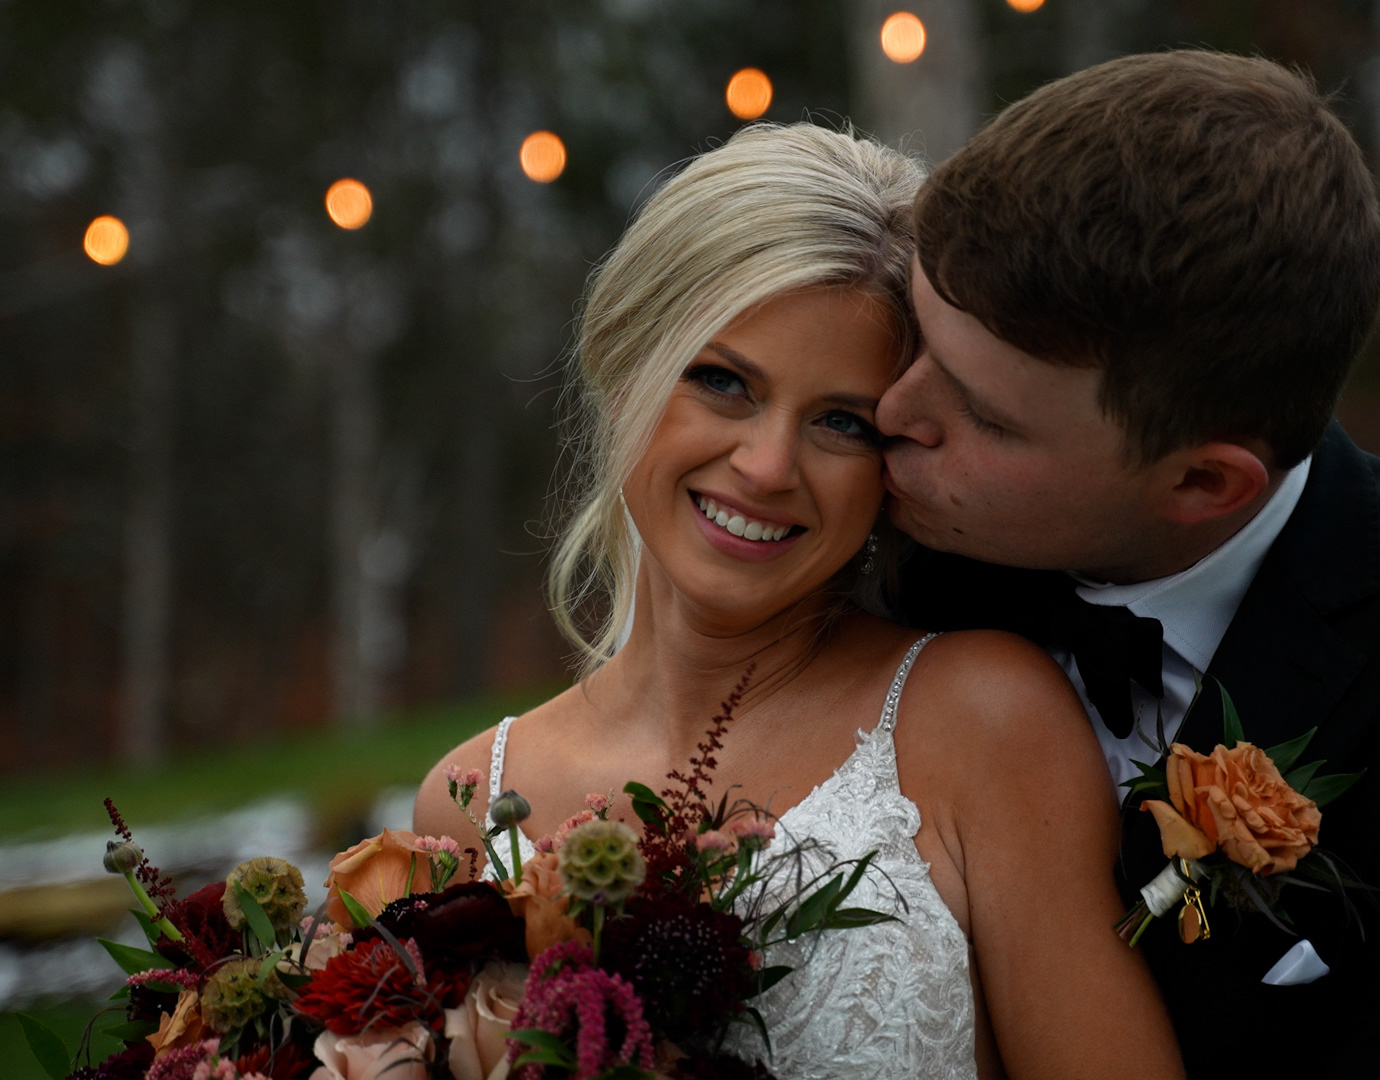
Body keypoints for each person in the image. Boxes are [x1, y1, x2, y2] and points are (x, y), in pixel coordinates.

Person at [417, 123, 1184, 1080]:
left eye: (841, 423)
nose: (769, 466)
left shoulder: (983, 723)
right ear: (624, 370)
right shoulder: (470, 803)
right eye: (724, 382)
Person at [875, 52, 1380, 1079]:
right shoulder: (869, 552)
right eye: (915, 340)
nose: (892, 411)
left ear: (1203, 482)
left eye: (984, 416)